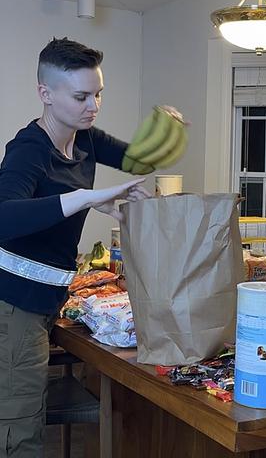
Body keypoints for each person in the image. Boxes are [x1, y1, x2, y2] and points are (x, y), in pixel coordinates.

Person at [0, 37, 151, 457]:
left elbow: (141, 161)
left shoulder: (86, 139)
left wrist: (167, 128)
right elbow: (4, 217)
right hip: (12, 306)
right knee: (19, 428)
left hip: (47, 301)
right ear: (45, 94)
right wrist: (88, 199)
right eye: (82, 96)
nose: (93, 105)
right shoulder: (29, 149)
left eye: (98, 94)